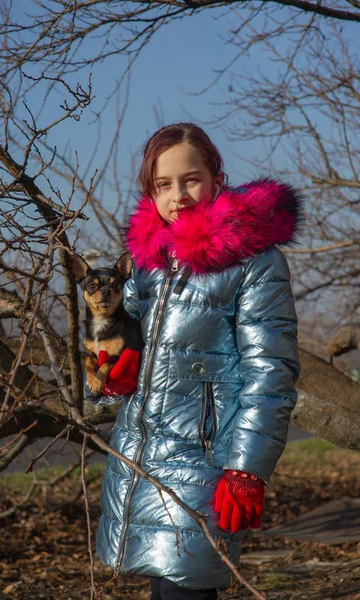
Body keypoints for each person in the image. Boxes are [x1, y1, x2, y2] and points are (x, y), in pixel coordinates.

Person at [86, 123, 301, 599]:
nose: (178, 195)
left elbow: (271, 372)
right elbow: (130, 331)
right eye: (164, 185)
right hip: (142, 453)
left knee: (187, 590)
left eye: (191, 179)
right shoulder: (148, 260)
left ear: (216, 179)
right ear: (151, 191)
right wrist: (117, 371)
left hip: (205, 460)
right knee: (163, 590)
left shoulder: (253, 262)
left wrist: (247, 469)